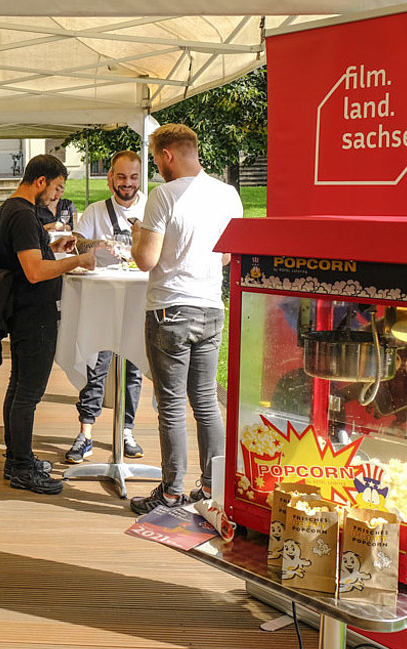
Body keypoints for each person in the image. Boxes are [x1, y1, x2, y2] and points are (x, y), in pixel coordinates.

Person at [129, 124, 242, 514]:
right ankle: (212, 488)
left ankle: (173, 490)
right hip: (211, 307)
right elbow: (227, 256)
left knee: (173, 404)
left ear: (166, 156)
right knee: (207, 402)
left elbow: (146, 260)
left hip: (169, 309)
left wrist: (138, 234)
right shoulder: (228, 194)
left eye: (155, 159)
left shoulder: (163, 196)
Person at [0, 154, 102, 495]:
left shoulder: (9, 209)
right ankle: (22, 467)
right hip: (33, 313)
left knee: (18, 387)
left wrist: (52, 246)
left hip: (20, 310)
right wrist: (77, 260)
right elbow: (35, 271)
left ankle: (16, 458)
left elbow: (24, 256)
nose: (56, 196)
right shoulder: (24, 215)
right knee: (28, 393)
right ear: (40, 182)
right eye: (56, 188)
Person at [65, 151, 147, 464]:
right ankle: (86, 432)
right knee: (94, 367)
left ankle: (126, 430)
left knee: (133, 369)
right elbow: (77, 243)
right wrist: (98, 245)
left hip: (136, 301)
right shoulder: (96, 210)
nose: (127, 183)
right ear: (111, 176)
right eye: (122, 176)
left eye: (133, 177)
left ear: (140, 177)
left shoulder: (151, 209)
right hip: (100, 301)